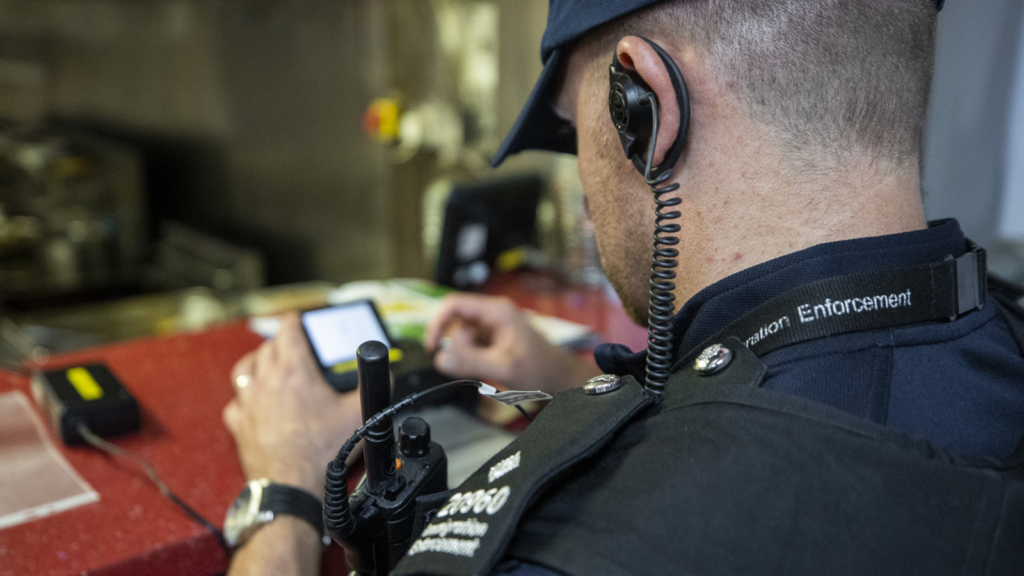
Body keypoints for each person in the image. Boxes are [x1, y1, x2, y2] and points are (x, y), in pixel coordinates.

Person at [223, 0, 1024, 574]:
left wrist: (284, 496)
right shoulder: (1001, 345)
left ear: (648, 107)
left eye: (577, 132)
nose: (583, 183)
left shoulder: (574, 549)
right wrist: (580, 386)